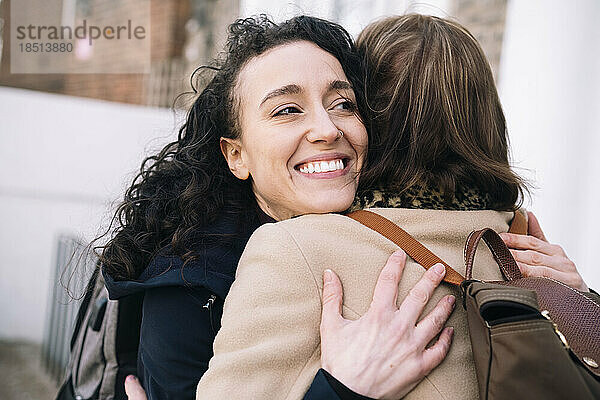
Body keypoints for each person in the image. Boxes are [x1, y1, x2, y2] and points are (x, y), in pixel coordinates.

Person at [194, 14, 593, 399]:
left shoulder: (296, 250)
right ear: (488, 118)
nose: (328, 127)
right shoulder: (528, 249)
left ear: (371, 115)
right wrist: (582, 304)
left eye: (342, 102)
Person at [104, 15, 455, 400]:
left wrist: (522, 271)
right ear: (237, 156)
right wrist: (345, 390)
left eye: (342, 104)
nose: (327, 129)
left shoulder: (374, 229)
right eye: (287, 110)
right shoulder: (189, 283)